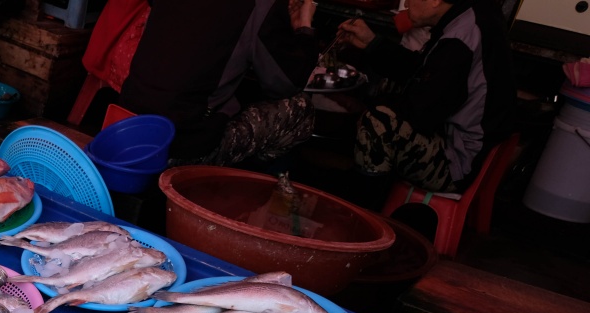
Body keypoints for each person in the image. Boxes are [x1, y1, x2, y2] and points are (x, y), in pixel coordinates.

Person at [337, 0, 514, 193]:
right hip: (464, 143)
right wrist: (372, 43)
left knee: (379, 121)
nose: (406, 4)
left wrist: (362, 107)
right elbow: (423, 73)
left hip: (458, 161)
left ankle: (362, 211)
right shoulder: (469, 14)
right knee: (387, 98)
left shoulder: (460, 39)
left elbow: (421, 113)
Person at [119, 0, 321, 166]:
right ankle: (242, 191)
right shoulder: (262, 4)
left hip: (126, 125)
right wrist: (303, 26)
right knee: (300, 109)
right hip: (181, 146)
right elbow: (285, 83)